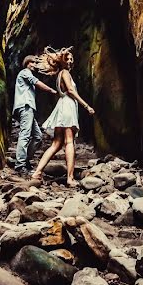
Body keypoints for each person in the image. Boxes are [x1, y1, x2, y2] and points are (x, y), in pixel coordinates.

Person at [31, 46, 95, 186]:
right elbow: (71, 90)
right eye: (68, 59)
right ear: (62, 61)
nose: (71, 61)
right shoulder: (65, 72)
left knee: (56, 144)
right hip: (67, 106)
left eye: (72, 59)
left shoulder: (60, 73)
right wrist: (86, 105)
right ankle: (70, 178)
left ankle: (37, 173)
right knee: (69, 142)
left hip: (62, 106)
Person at [13, 54, 58, 175]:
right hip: (25, 106)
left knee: (37, 136)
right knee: (25, 135)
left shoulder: (28, 74)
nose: (34, 64)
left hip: (29, 108)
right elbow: (37, 82)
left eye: (35, 62)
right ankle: (20, 165)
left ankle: (25, 160)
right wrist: (51, 90)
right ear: (27, 63)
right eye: (32, 62)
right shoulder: (25, 72)